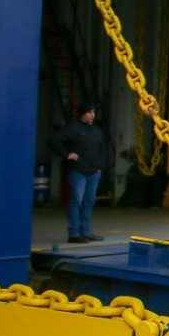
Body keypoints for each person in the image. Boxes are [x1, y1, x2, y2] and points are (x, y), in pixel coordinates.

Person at [48, 101, 108, 243]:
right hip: (77, 171)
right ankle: (74, 233)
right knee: (76, 202)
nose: (92, 115)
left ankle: (85, 231)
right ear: (81, 113)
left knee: (88, 202)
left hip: (93, 172)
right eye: (89, 112)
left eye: (93, 112)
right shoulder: (71, 128)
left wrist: (100, 167)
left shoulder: (96, 130)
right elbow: (53, 139)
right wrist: (66, 154)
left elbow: (102, 150)